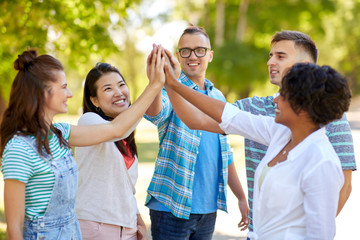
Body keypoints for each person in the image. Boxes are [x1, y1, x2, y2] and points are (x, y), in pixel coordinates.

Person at [164, 30, 357, 233]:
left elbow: (321, 230)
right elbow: (224, 116)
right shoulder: (277, 130)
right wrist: (173, 83)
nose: (275, 99)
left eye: (280, 56)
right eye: (270, 55)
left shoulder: (321, 159)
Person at [0, 47, 165, 239]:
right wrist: (155, 84)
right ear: (42, 93)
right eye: (63, 87)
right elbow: (13, 230)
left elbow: (116, 130)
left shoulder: (61, 133)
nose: (70, 93)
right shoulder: (19, 148)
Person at [144, 26, 249, 240]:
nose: (193, 56)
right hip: (171, 206)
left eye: (199, 50)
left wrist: (240, 197)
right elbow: (155, 113)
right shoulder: (167, 90)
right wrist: (155, 82)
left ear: (210, 55)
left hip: (207, 209)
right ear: (178, 56)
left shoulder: (217, 97)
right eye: (186, 51)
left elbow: (224, 152)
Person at [75, 62, 150, 240]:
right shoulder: (88, 121)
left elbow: (125, 189)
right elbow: (117, 129)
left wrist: (139, 222)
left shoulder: (126, 136)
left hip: (128, 229)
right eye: (108, 88)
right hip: (96, 227)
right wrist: (154, 84)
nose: (118, 92)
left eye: (121, 85)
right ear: (94, 100)